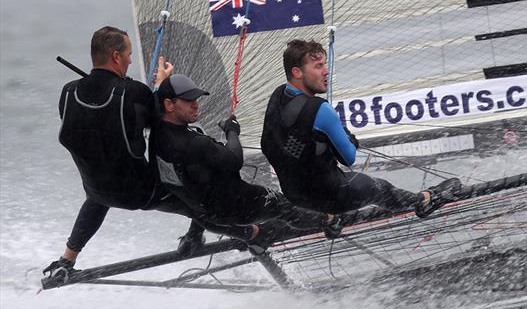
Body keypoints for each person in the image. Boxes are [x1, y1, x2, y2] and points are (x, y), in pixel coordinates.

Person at [45, 26, 202, 284]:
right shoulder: (134, 93)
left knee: (101, 184)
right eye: (129, 54)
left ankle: (66, 261)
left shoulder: (68, 92)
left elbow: (96, 130)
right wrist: (161, 86)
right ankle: (214, 234)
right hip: (143, 192)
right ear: (116, 57)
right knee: (201, 189)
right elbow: (164, 120)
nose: (131, 60)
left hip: (98, 192)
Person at [260, 39, 461, 217]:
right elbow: (348, 158)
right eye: (318, 66)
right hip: (331, 197)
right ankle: (424, 200)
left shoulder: (277, 95)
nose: (326, 71)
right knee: (378, 188)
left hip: (295, 196)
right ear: (297, 72)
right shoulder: (321, 110)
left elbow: (272, 142)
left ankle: (328, 221)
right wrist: (348, 140)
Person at [152, 74, 334, 249]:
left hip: (206, 214)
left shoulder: (157, 132)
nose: (195, 105)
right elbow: (235, 160)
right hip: (237, 207)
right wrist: (232, 130)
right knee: (283, 206)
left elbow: (155, 103)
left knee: (201, 190)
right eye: (188, 101)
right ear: (169, 104)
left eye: (195, 99)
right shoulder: (194, 143)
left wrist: (161, 83)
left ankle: (245, 236)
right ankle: (330, 221)